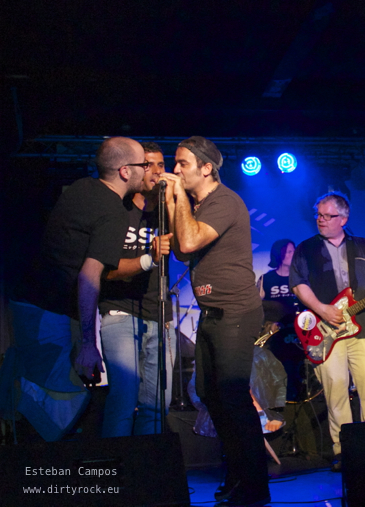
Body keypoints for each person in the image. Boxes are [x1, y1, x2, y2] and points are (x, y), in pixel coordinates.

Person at [0, 137, 146, 441]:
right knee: (59, 405)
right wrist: (89, 344)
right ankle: (35, 464)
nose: (146, 169)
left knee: (50, 390)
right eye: (143, 164)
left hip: (28, 302)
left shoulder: (81, 187)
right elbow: (89, 276)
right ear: (124, 171)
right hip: (45, 310)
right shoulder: (113, 211)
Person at [160, 136, 269, 507]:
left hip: (235, 311)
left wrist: (177, 196)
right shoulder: (198, 205)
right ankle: (237, 473)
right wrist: (175, 201)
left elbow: (189, 243)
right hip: (212, 313)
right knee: (210, 394)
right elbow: (180, 250)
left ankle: (255, 486)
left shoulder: (223, 201)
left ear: (206, 168)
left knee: (233, 396)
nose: (176, 170)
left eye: (183, 164)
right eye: (175, 163)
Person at [290, 191, 365, 472]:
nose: (320, 220)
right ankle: (343, 450)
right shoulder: (306, 248)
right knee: (336, 387)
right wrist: (321, 309)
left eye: (328, 216)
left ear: (344, 219)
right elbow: (298, 284)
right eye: (318, 215)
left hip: (362, 327)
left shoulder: (363, 246)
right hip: (327, 330)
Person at [99, 141, 175, 437]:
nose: (155, 171)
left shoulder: (168, 212)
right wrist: (148, 259)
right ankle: (116, 465)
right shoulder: (118, 209)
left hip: (160, 314)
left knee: (157, 406)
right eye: (148, 164)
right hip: (121, 312)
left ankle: (147, 464)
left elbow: (186, 252)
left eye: (161, 165)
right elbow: (104, 269)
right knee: (123, 399)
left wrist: (174, 202)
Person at [257, 239, 303, 401]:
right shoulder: (266, 279)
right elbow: (257, 308)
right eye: (289, 251)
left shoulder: (301, 279)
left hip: (298, 332)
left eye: (294, 251)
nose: (293, 254)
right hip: (274, 333)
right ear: (279, 255)